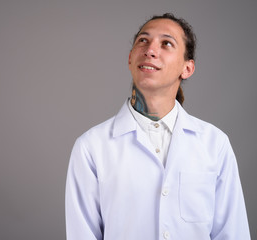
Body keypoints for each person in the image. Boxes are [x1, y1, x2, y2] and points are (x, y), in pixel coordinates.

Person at [65, 13, 251, 239]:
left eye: (166, 43)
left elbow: (232, 232)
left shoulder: (214, 144)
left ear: (187, 68)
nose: (150, 50)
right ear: (130, 58)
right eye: (143, 41)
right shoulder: (91, 147)